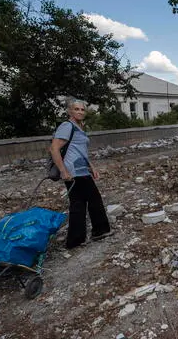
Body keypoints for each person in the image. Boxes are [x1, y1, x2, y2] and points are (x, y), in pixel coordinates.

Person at [50, 100, 113, 249]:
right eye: (76, 109)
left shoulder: (79, 127)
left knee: (81, 203)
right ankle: (97, 231)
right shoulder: (67, 126)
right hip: (73, 173)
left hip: (82, 171)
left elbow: (81, 152)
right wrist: (63, 171)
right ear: (69, 112)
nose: (80, 112)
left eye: (82, 110)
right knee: (91, 200)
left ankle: (77, 240)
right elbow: (54, 149)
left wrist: (92, 167)